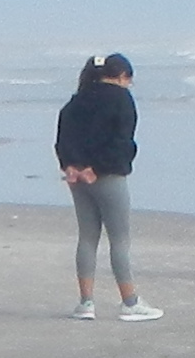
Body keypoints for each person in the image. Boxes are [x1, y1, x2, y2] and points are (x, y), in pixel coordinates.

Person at [56, 53, 159, 322]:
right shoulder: (120, 99)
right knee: (120, 239)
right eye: (129, 80)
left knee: (87, 238)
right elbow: (122, 142)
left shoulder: (76, 100)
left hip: (76, 177)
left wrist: (70, 166)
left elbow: (62, 138)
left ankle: (86, 302)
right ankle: (130, 301)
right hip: (107, 176)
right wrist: (96, 168)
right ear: (122, 76)